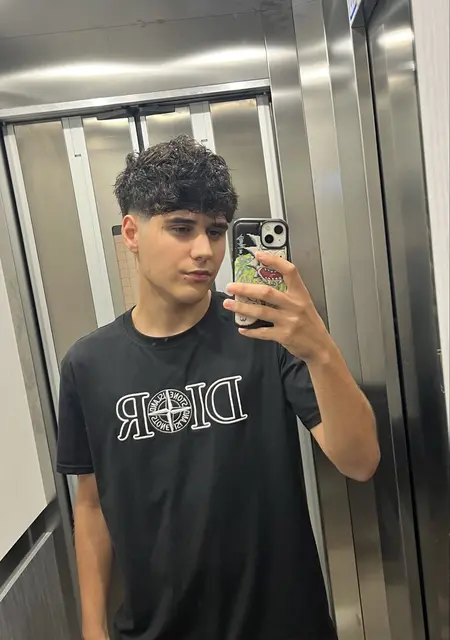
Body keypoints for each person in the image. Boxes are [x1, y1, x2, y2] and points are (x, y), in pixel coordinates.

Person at [56, 135, 380, 640]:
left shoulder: (266, 336)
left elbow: (360, 461)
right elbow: (92, 505)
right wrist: (92, 630)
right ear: (132, 232)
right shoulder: (88, 364)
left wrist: (319, 348)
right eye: (181, 228)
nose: (204, 251)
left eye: (216, 230)